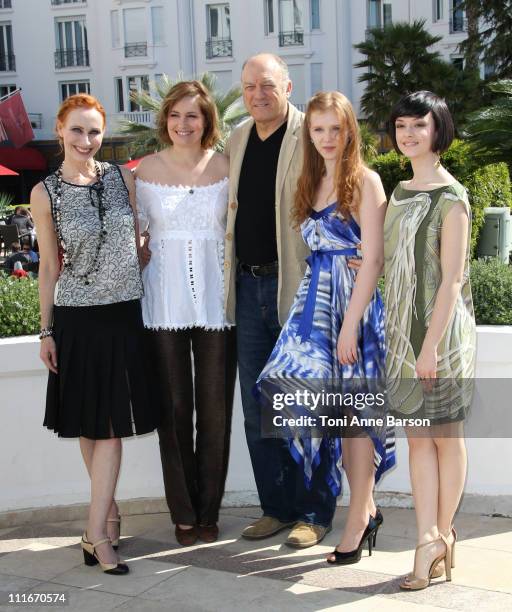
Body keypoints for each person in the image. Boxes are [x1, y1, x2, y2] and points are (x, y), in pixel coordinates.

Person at [224, 54, 360, 547]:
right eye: (248, 87)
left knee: (308, 404)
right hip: (247, 287)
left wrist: (361, 248)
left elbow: (351, 181)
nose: (257, 94)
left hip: (302, 290)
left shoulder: (310, 132)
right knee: (260, 407)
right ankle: (275, 508)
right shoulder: (237, 138)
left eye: (267, 85)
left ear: (286, 86)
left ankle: (314, 513)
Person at [255, 91, 395, 563]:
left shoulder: (366, 182)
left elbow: (372, 259)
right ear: (308, 134)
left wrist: (350, 326)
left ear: (350, 130)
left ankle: (357, 518)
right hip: (314, 308)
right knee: (294, 393)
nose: (328, 138)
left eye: (336, 129)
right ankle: (363, 507)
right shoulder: (309, 181)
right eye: (319, 129)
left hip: (352, 310)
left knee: (353, 417)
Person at [31, 93, 160, 576]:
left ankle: (99, 524)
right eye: (78, 130)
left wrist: (141, 250)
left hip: (125, 316)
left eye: (95, 131)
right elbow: (48, 266)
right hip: (77, 320)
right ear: (61, 132)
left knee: (107, 427)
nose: (87, 140)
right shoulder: (45, 193)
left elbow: (135, 239)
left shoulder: (122, 178)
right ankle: (100, 529)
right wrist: (46, 330)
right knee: (93, 425)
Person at [135, 80, 237, 546]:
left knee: (214, 410)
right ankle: (184, 511)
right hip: (162, 305)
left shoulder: (228, 166)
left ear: (207, 120)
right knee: (173, 411)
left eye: (192, 115)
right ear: (165, 120)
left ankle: (209, 509)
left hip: (219, 305)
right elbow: (128, 239)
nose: (183, 124)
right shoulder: (138, 173)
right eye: (175, 115)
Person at [384, 91, 476, 590]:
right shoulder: (399, 192)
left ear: (438, 130)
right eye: (401, 126)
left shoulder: (452, 197)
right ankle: (429, 537)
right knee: (419, 439)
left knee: (446, 437)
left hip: (439, 337)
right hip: (403, 333)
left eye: (418, 125)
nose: (408, 135)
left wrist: (430, 346)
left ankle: (440, 535)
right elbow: (397, 259)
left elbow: (452, 280)